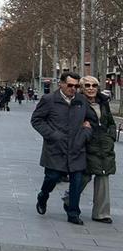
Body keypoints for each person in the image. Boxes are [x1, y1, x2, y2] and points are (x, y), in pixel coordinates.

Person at [31, 72, 92, 225]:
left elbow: (91, 121)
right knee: (52, 177)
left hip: (77, 148)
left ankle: (73, 213)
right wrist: (53, 135)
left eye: (77, 86)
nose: (73, 89)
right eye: (70, 85)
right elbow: (36, 120)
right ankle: (43, 196)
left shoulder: (82, 101)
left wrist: (85, 133)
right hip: (55, 149)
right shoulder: (49, 100)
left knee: (77, 181)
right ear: (61, 84)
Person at [82, 75, 115, 223]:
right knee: (84, 176)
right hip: (86, 144)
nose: (91, 88)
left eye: (94, 85)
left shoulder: (103, 102)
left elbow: (110, 122)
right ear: (82, 88)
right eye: (87, 85)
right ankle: (70, 199)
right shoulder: (78, 102)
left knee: (103, 176)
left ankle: (102, 213)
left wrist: (111, 135)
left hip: (104, 146)